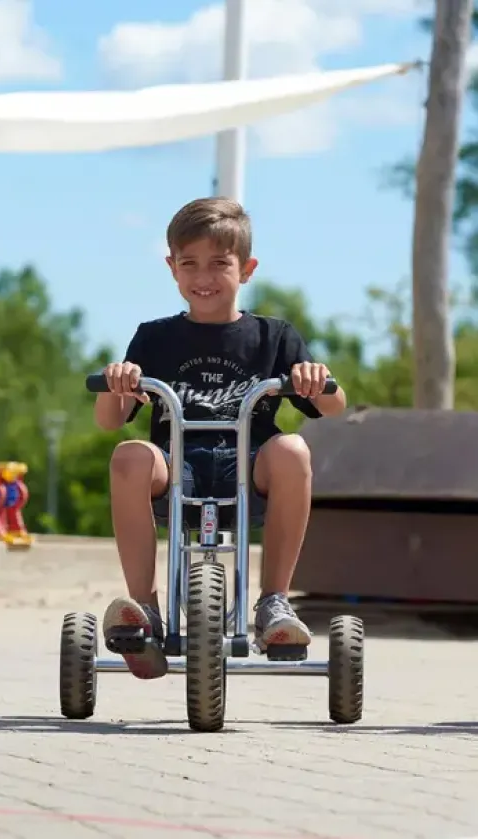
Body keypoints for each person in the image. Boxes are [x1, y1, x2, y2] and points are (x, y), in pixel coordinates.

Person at [93, 197, 347, 680]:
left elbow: (335, 407)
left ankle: (273, 603)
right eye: (189, 263)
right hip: (177, 465)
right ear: (172, 268)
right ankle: (145, 610)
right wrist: (116, 382)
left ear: (246, 269)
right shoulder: (154, 337)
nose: (203, 276)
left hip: (249, 466)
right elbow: (111, 420)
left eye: (219, 263)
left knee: (293, 449)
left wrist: (317, 378)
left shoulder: (273, 337)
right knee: (128, 456)